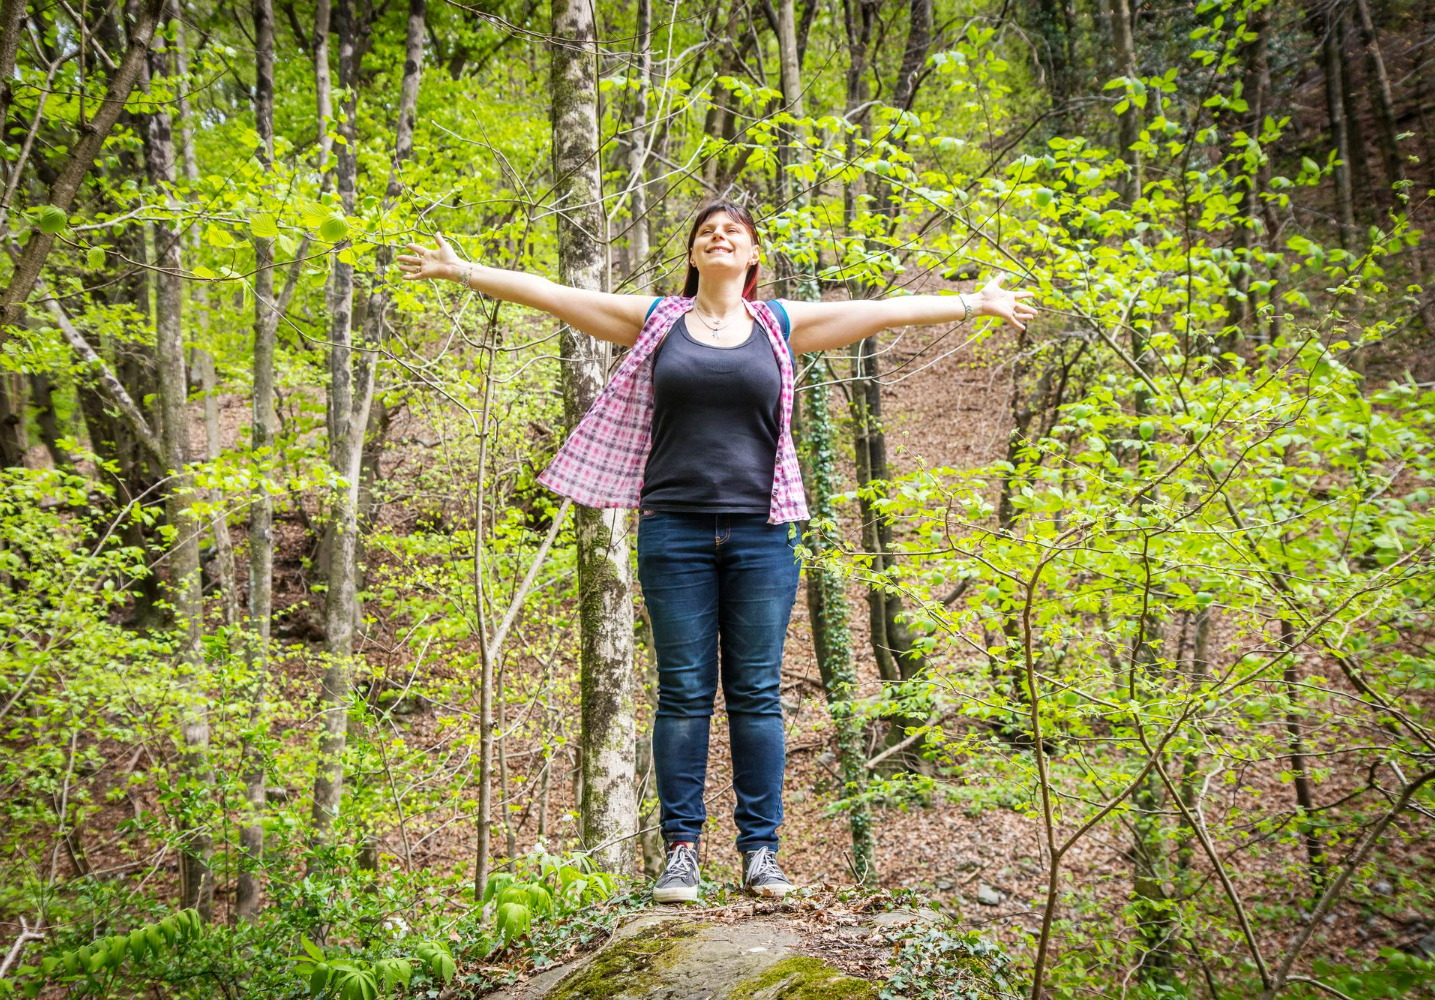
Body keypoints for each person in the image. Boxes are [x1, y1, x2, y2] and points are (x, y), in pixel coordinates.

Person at [398, 201, 1036, 902]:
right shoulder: (657, 322)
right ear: (695, 256)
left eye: (733, 229)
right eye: (707, 230)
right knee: (683, 694)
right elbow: (554, 294)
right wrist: (463, 272)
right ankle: (681, 853)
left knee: (757, 694)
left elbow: (882, 311)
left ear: (752, 255)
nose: (719, 234)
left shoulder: (781, 325)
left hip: (764, 533)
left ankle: (761, 853)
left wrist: (973, 301)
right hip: (674, 531)